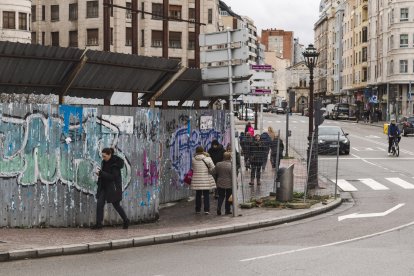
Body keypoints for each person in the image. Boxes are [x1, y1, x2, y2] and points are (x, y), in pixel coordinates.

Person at [92, 148, 129, 230]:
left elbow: (113, 177)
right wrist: (100, 175)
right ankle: (99, 224)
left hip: (113, 188)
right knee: (99, 204)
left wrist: (102, 173)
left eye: (104, 156)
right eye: (102, 156)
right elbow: (105, 174)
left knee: (116, 205)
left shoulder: (115, 164)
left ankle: (126, 220)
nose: (103, 158)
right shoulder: (104, 162)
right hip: (104, 187)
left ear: (109, 155)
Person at [191, 146, 216, 214]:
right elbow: (213, 168)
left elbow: (193, 168)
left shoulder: (193, 159)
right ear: (203, 151)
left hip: (197, 179)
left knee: (198, 194)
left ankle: (198, 209)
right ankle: (206, 210)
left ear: (196, 151)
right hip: (205, 178)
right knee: (206, 194)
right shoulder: (208, 158)